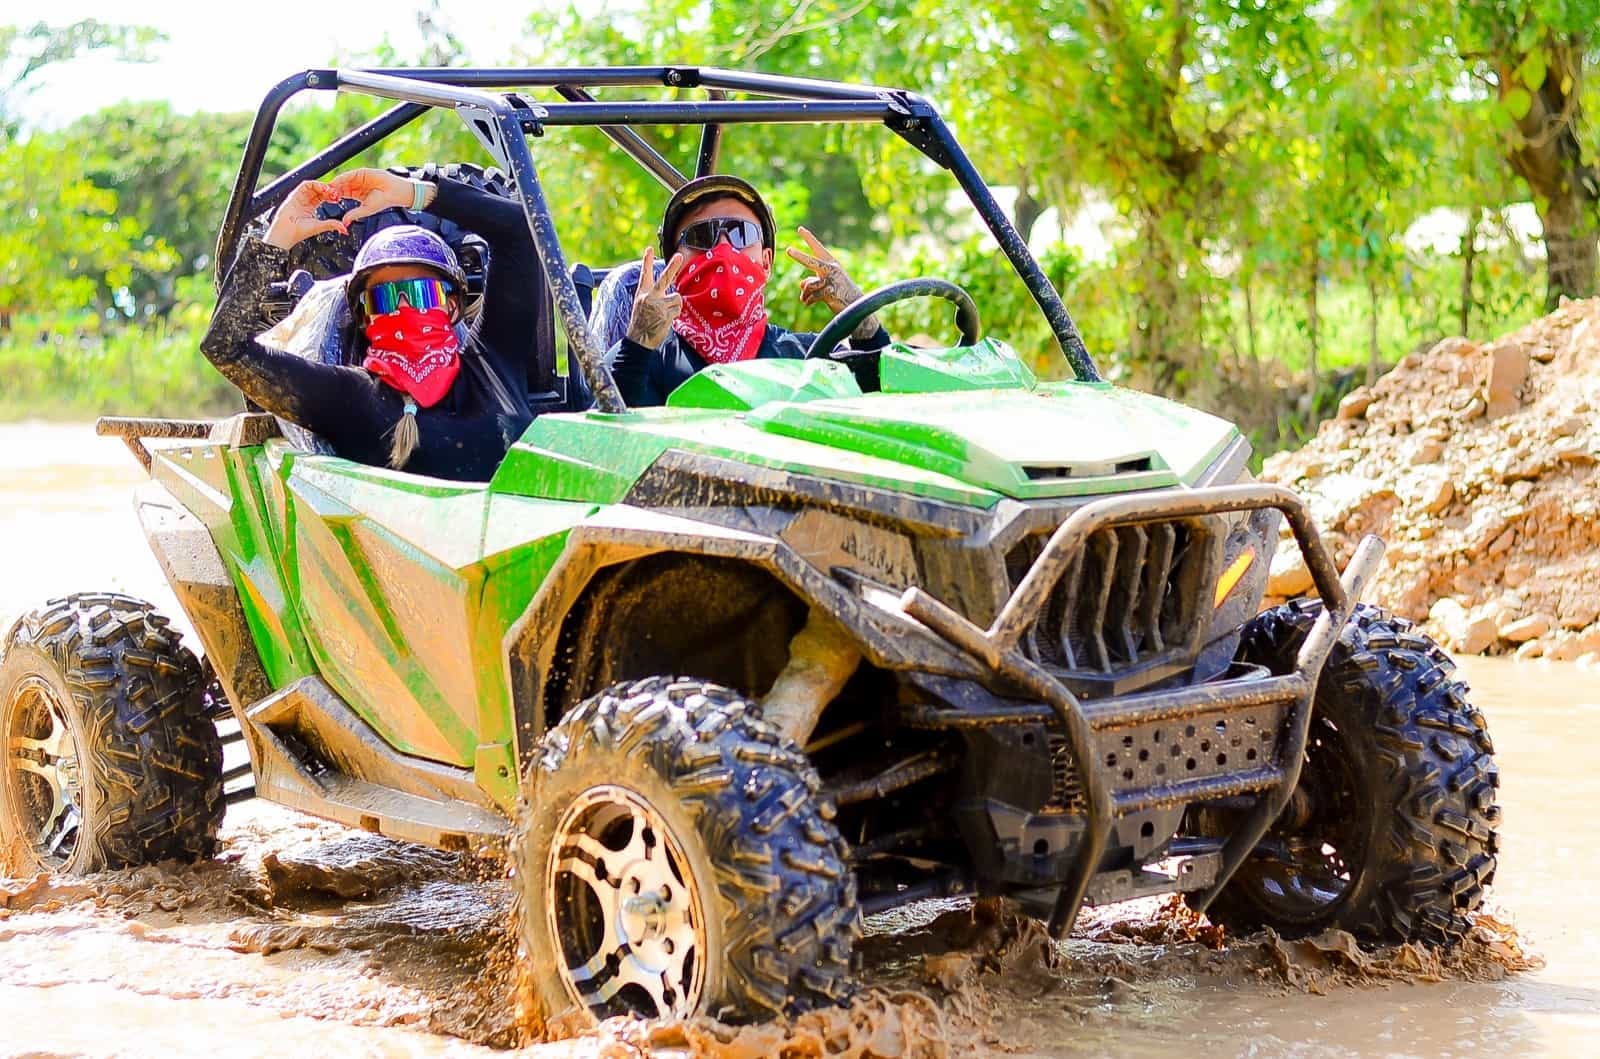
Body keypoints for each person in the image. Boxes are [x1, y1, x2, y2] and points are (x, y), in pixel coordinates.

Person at [200, 167, 554, 481]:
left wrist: (410, 193)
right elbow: (226, 349)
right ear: (364, 317)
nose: (403, 308)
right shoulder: (351, 398)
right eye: (384, 299)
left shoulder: (493, 364)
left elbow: (521, 230)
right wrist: (278, 238)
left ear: (452, 305)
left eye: (419, 294)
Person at [608, 175, 888, 407]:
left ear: (765, 262)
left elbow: (890, 405)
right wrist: (638, 343)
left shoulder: (805, 356)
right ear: (673, 264)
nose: (723, 250)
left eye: (742, 233)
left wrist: (864, 321)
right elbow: (606, 443)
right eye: (701, 236)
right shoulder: (642, 360)